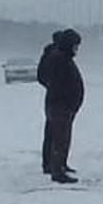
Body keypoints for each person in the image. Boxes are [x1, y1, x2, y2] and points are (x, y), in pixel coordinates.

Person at [44, 29, 84, 184]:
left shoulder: (63, 58)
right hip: (60, 106)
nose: (77, 49)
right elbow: (58, 84)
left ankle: (59, 166)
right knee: (59, 139)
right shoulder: (60, 60)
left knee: (62, 138)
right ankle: (57, 171)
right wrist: (67, 98)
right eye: (75, 46)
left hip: (64, 106)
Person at [36, 30, 63, 175]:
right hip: (55, 100)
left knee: (58, 134)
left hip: (58, 100)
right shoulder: (51, 56)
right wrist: (53, 86)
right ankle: (49, 164)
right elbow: (41, 76)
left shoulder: (60, 56)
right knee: (52, 133)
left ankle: (59, 163)